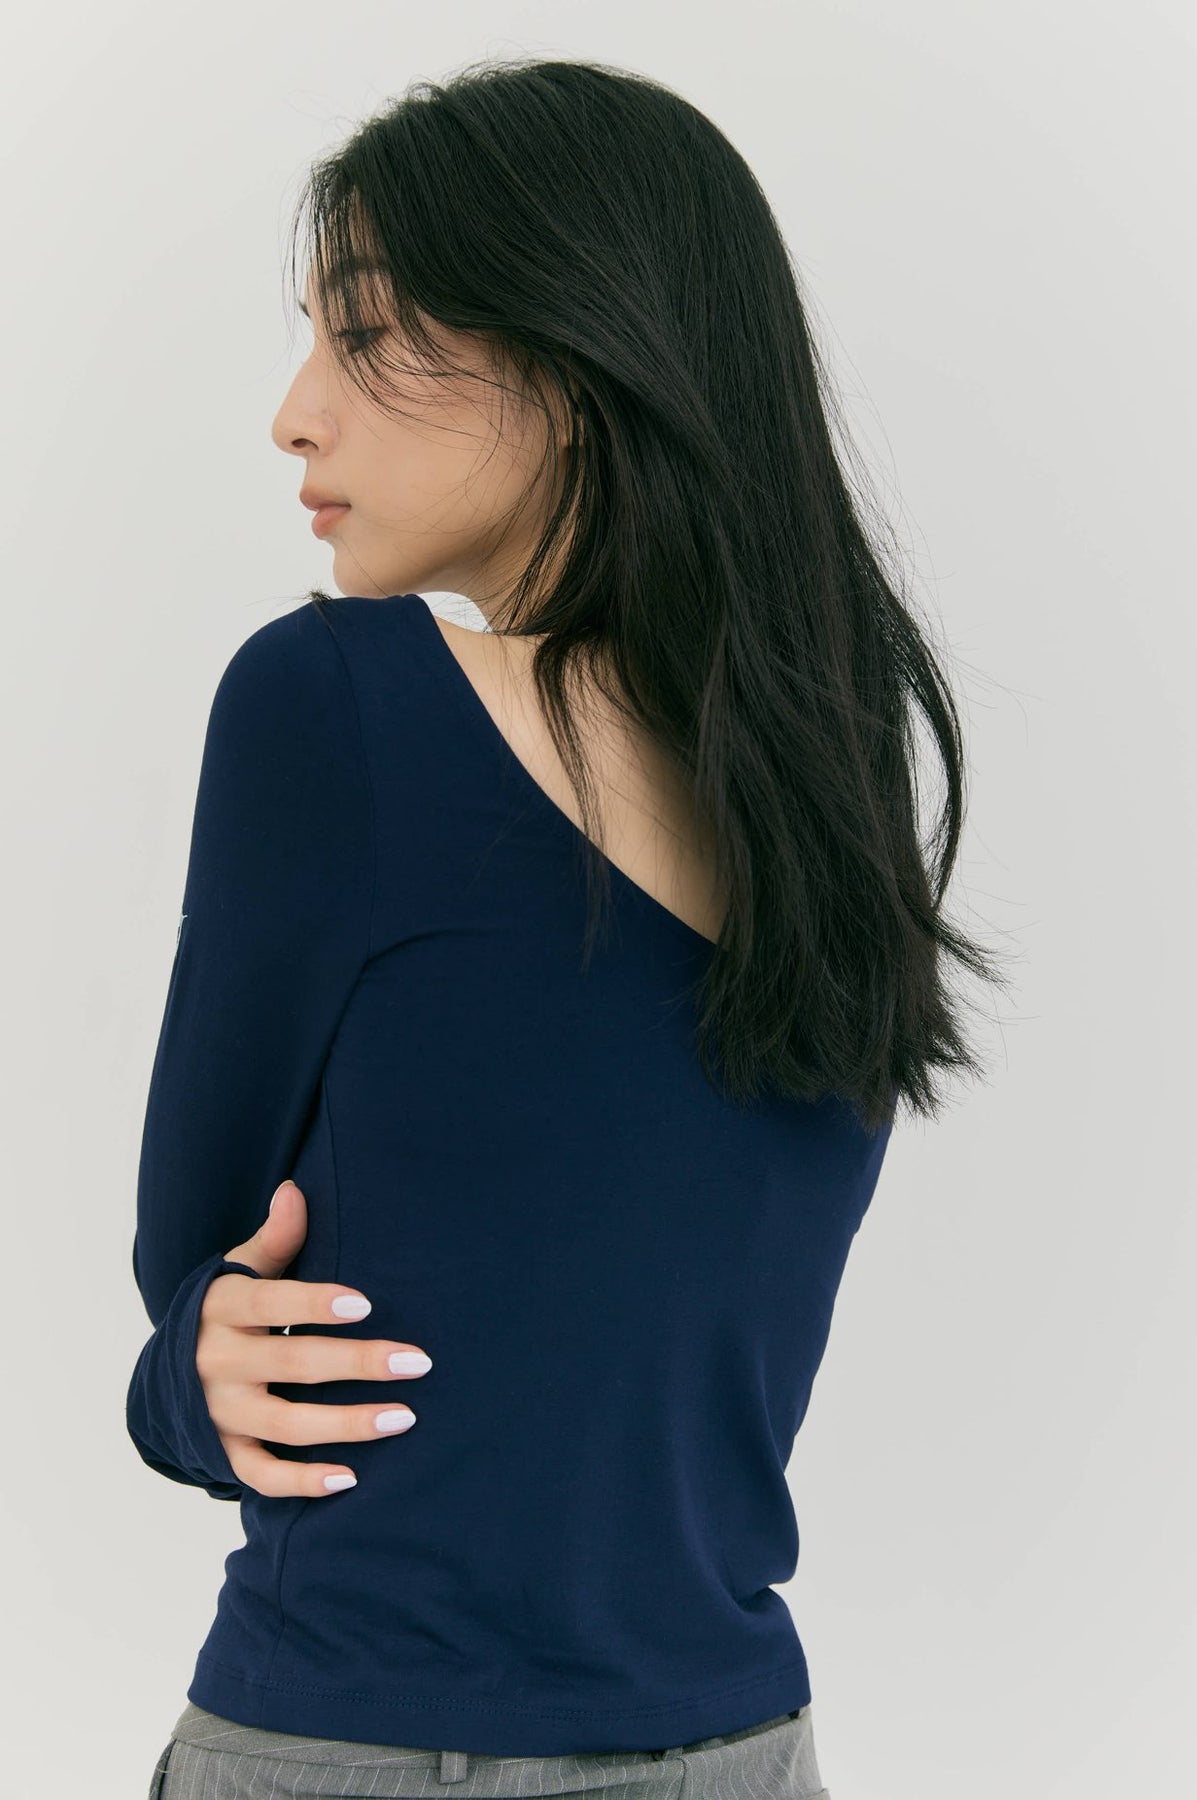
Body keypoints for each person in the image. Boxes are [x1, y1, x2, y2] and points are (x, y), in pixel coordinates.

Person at [128, 56, 1006, 1800]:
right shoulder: (821, 781)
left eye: (364, 333)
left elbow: (196, 1269)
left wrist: (186, 1373)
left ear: (576, 355)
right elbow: (211, 1305)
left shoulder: (349, 704)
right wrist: (197, 1371)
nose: (296, 414)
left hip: (391, 1747)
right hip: (711, 1746)